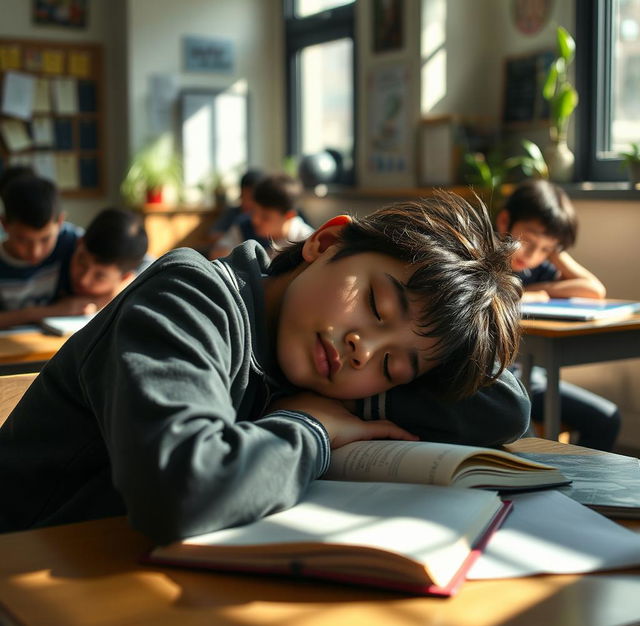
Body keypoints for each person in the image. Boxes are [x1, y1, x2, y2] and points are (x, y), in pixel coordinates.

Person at [0, 192, 529, 544]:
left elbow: (502, 408)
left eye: (393, 366)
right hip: (26, 577)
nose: (362, 350)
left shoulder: (300, 362)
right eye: (374, 305)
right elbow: (181, 488)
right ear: (326, 241)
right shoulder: (193, 294)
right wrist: (314, 426)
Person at [496, 179, 620, 451]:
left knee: (606, 419)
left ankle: (582, 490)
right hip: (493, 379)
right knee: (519, 427)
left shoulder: (531, 270)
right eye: (528, 241)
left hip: (530, 376)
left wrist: (551, 268)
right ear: (505, 221)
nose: (532, 255)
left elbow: (593, 290)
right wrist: (524, 293)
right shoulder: (483, 258)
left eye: (545, 249)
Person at [0, 173, 84, 329]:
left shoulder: (72, 240)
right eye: (22, 240)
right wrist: (45, 312)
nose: (35, 252)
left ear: (60, 222)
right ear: (4, 224)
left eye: (45, 239)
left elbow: (132, 272)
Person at [59, 207, 151, 307]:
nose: (83, 280)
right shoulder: (57, 244)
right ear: (79, 242)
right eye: (82, 262)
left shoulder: (141, 275)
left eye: (99, 276)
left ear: (124, 278)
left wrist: (99, 303)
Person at [211, 174, 313, 259]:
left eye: (265, 217)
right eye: (253, 212)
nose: (255, 220)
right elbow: (220, 251)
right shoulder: (244, 227)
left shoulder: (306, 242)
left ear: (289, 216)